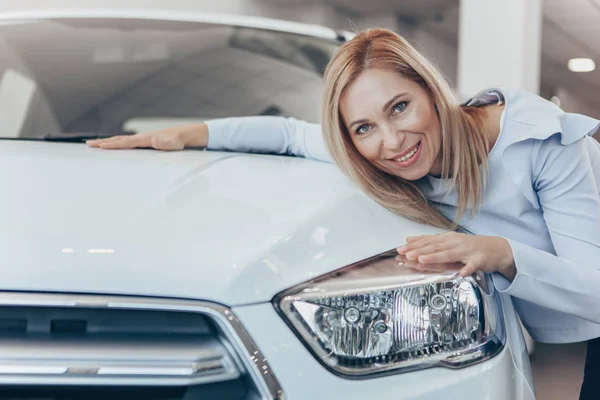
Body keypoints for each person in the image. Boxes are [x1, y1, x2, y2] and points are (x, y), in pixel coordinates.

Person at [88, 28, 600, 398]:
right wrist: (187, 134)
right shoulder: (370, 151)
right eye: (363, 128)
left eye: (400, 107)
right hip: (560, 325)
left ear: (431, 90)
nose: (392, 142)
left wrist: (499, 253)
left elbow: (594, 289)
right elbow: (288, 135)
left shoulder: (543, 141)